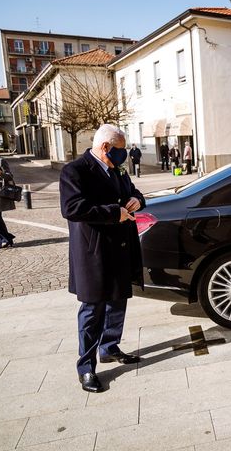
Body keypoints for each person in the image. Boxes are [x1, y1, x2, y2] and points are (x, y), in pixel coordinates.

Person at [60, 124, 146, 393]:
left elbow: (134, 192)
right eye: (121, 149)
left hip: (120, 248)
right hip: (93, 253)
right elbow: (72, 208)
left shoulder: (117, 168)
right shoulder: (75, 170)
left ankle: (109, 348)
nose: (125, 155)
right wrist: (114, 212)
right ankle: (86, 367)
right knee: (92, 311)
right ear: (106, 147)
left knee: (118, 302)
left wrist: (136, 200)